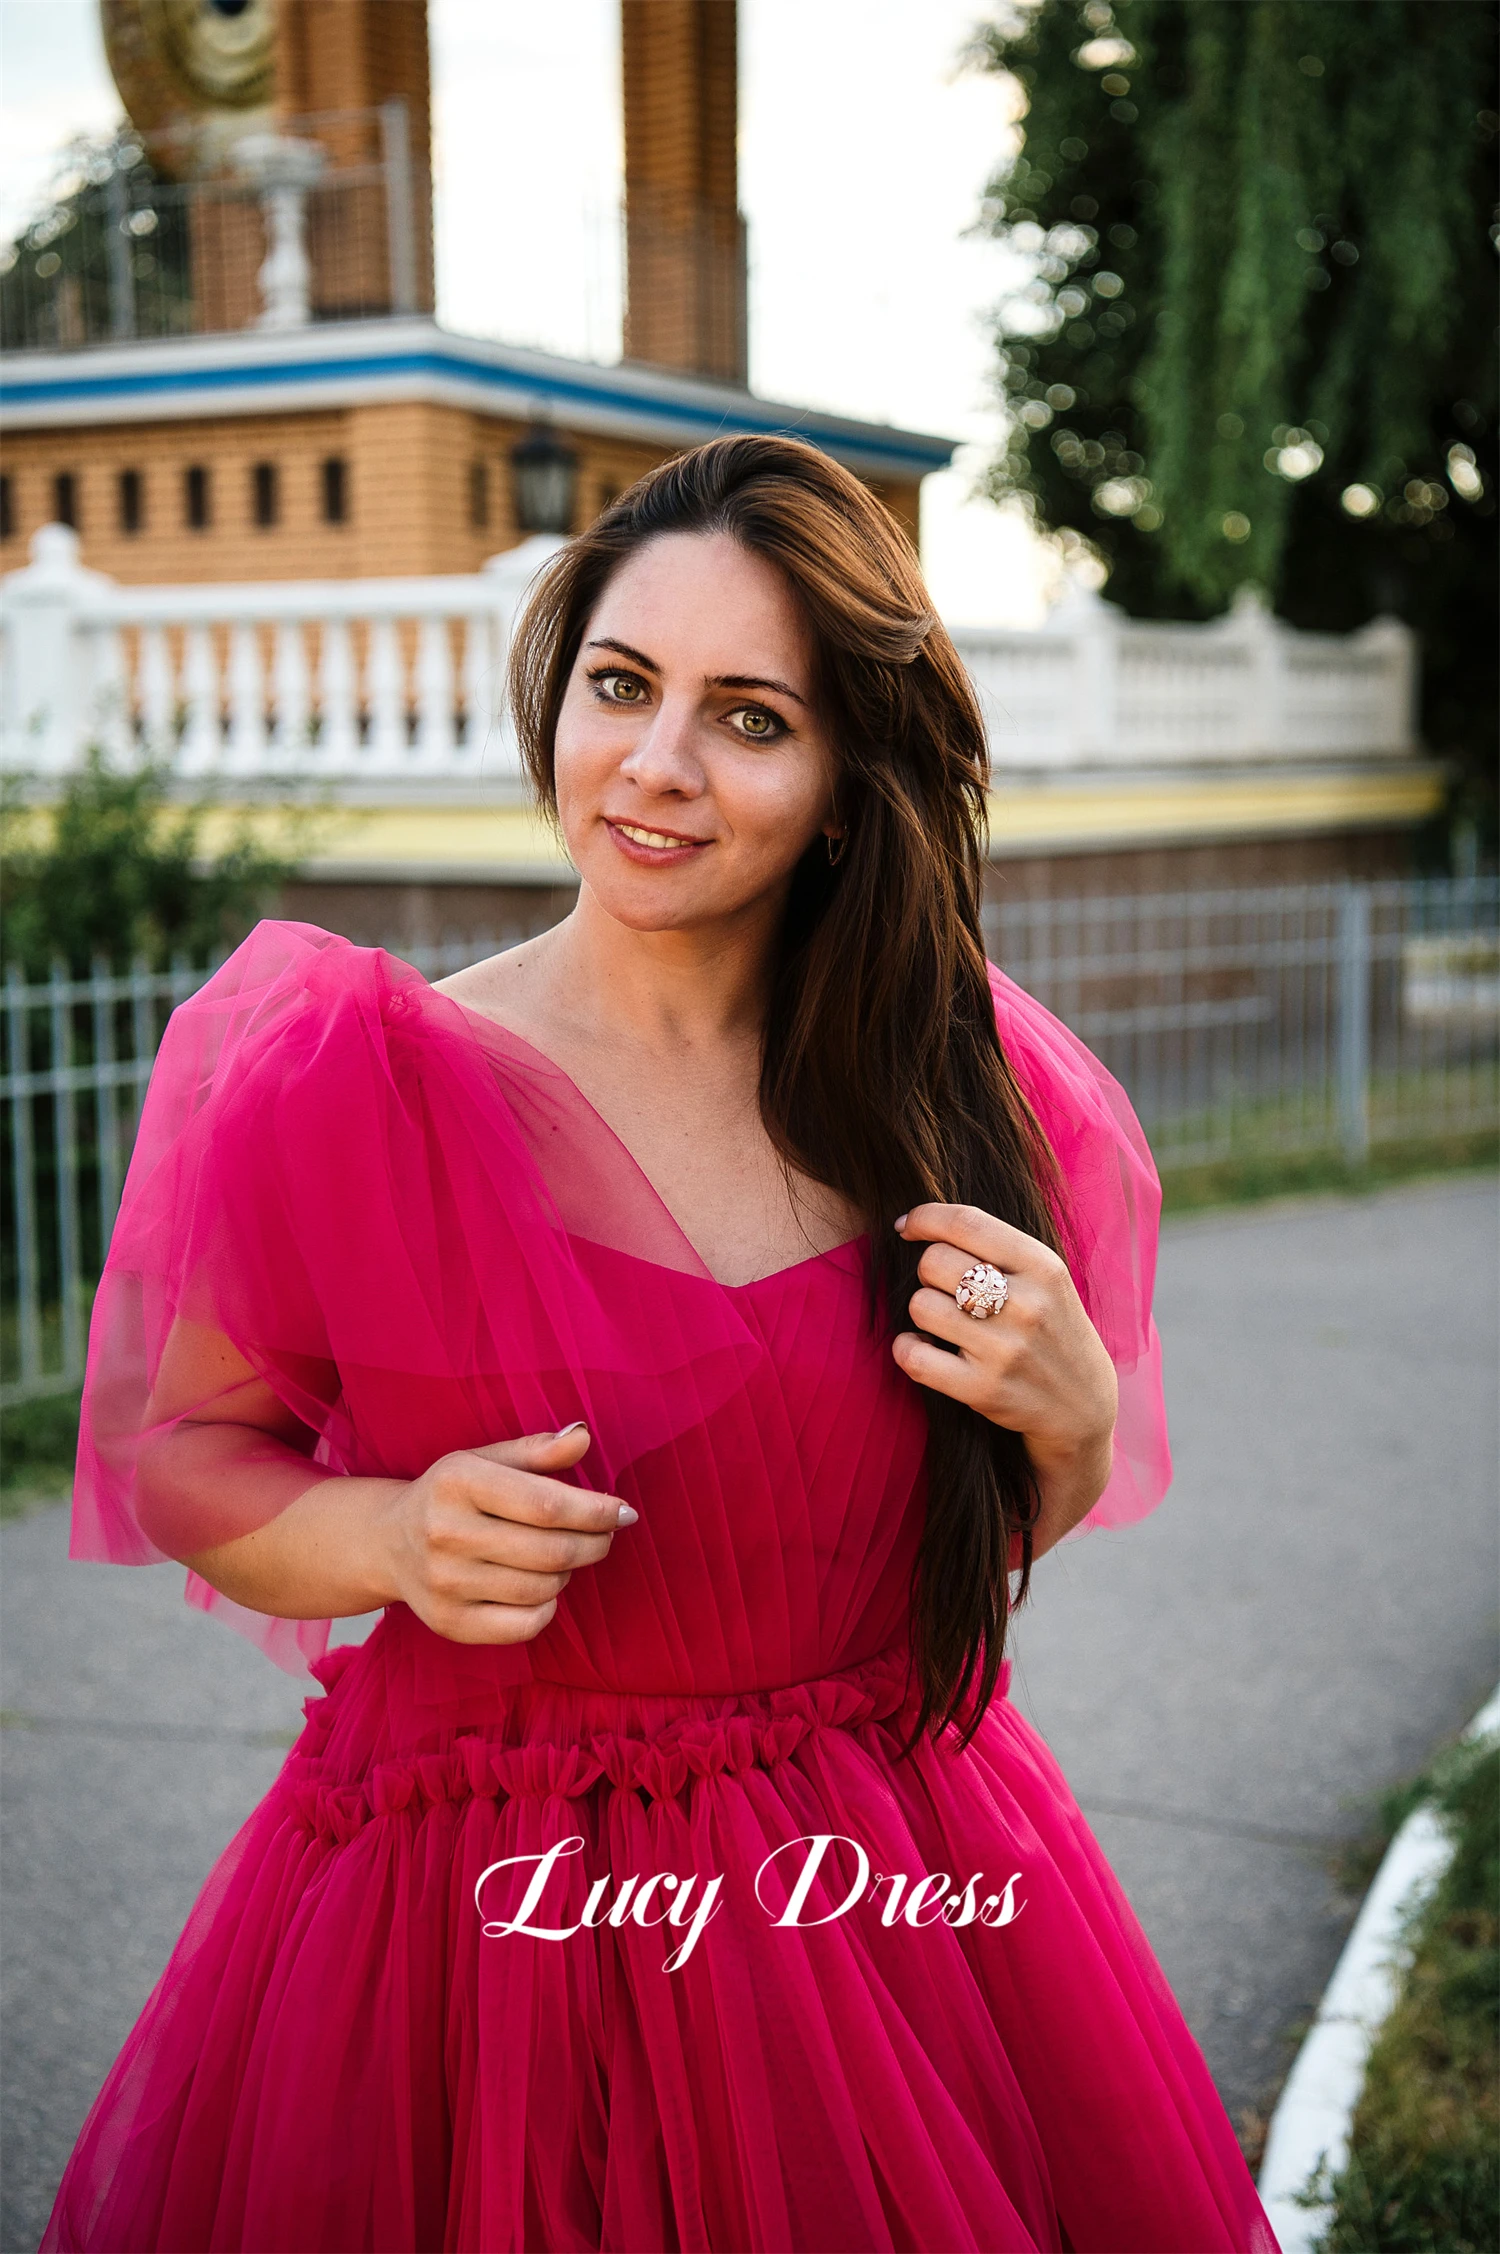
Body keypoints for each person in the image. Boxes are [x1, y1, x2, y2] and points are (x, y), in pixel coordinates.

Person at [43, 435, 1280, 2253]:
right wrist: (385, 1536)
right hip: (482, 1920)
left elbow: (976, 1538)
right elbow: (180, 1459)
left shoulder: (967, 1094)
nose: (657, 765)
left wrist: (1074, 1427)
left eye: (751, 718)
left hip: (890, 1907)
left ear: (852, 779)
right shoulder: (352, 1089)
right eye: (621, 686)